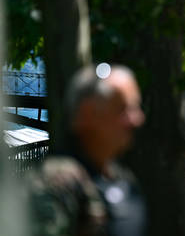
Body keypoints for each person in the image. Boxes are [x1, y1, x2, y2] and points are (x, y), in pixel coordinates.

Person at [28, 64, 146, 236]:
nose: (137, 120)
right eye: (123, 109)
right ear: (86, 114)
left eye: (136, 108)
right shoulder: (57, 182)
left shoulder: (123, 179)